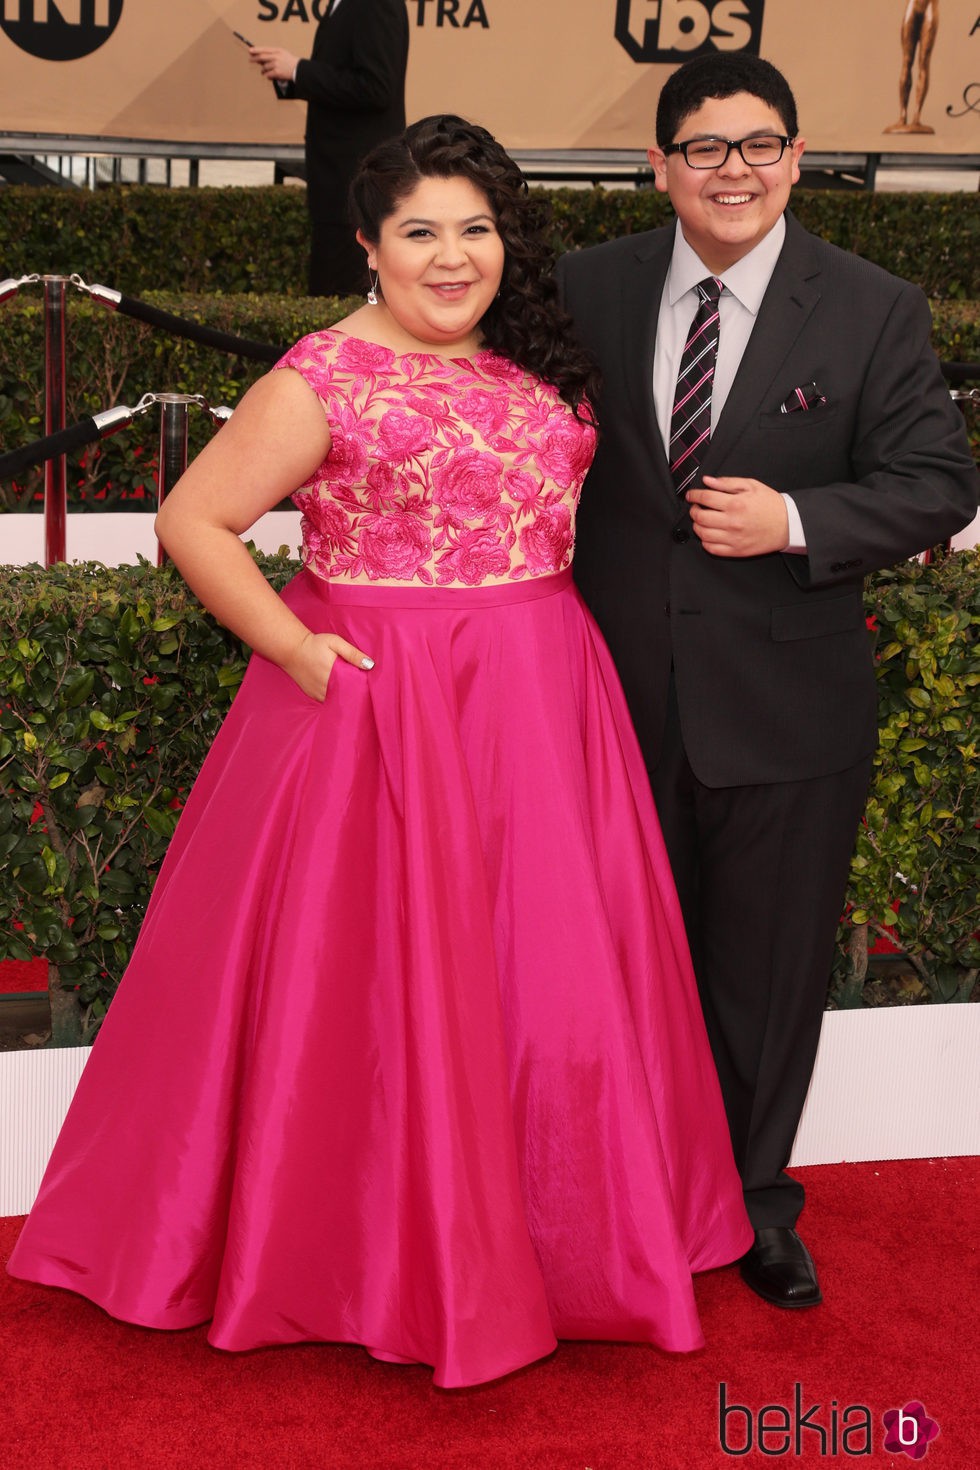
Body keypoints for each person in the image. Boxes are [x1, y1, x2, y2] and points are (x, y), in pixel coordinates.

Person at [8, 115, 753, 1389]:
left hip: (541, 697)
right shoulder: (320, 378)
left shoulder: (531, 359)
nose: (452, 258)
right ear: (367, 246)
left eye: (476, 229)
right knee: (373, 994)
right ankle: (374, 1255)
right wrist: (292, 648)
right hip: (382, 707)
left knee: (545, 980)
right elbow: (197, 518)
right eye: (420, 232)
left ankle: (570, 1244)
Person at [557, 54, 978, 1311]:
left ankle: (750, 1207)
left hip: (788, 711)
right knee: (609, 968)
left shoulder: (868, 306)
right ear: (658, 165)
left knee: (765, 976)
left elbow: (936, 482)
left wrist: (795, 518)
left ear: (794, 158)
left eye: (756, 145)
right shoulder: (585, 287)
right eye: (702, 147)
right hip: (600, 697)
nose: (730, 169)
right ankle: (613, 1195)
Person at [248, 0, 408, 295]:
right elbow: (345, 76)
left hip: (357, 177)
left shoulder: (376, 4)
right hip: (338, 179)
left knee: (344, 290)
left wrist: (299, 70)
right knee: (331, 284)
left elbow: (376, 87)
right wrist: (292, 77)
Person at [884, 0, 940, 134]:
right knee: (907, 61)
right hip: (913, 6)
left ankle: (916, 116)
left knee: (924, 62)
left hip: (930, 6)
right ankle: (902, 115)